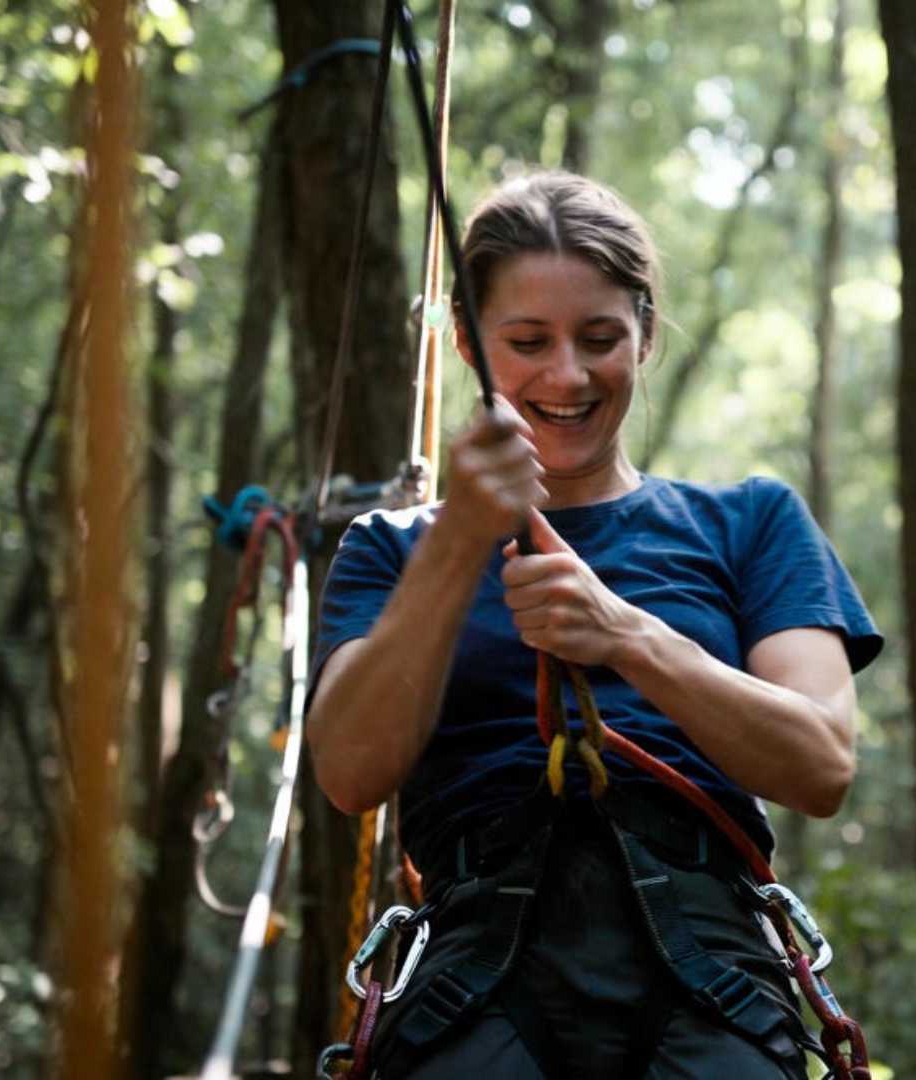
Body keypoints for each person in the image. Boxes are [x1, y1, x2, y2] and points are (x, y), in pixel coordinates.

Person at [306, 170, 882, 1079]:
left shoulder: (749, 523)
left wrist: (627, 635)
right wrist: (457, 545)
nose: (567, 375)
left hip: (709, 968)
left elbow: (820, 765)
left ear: (646, 336)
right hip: (476, 965)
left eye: (601, 338)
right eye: (527, 341)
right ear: (467, 341)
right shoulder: (392, 548)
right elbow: (348, 773)